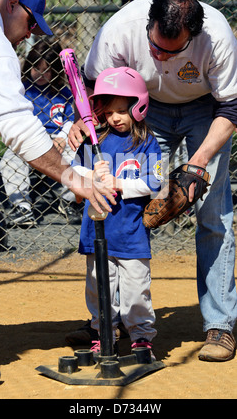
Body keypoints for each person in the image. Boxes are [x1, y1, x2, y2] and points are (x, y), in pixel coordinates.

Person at [68, 0, 237, 362]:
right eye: (155, 46)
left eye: (171, 51)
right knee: (120, 205)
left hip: (205, 109)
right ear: (149, 24)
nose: (159, 56)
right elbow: (94, 87)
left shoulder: (218, 37)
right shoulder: (121, 27)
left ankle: (220, 325)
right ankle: (108, 321)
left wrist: (198, 163)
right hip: (142, 109)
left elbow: (231, 107)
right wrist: (83, 123)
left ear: (193, 35)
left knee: (212, 212)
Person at [0, 0, 115, 387]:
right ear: (12, 4)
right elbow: (14, 123)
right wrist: (70, 176)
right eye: (30, 23)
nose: (27, 37)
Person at [71, 66, 162, 358]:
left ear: (139, 107)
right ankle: (103, 333)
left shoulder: (148, 142)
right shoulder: (92, 142)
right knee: (100, 289)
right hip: (96, 233)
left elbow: (157, 182)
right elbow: (73, 183)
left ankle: (141, 337)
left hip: (132, 233)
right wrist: (90, 177)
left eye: (123, 110)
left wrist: (118, 183)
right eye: (109, 112)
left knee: (136, 290)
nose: (115, 118)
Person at [0, 38, 81, 226]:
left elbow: (70, 119)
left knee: (76, 155)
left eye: (47, 70)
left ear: (56, 71)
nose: (41, 74)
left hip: (58, 138)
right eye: (37, 68)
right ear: (29, 65)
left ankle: (68, 202)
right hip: (30, 137)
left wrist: (62, 137)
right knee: (10, 161)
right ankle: (22, 207)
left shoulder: (63, 92)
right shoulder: (23, 90)